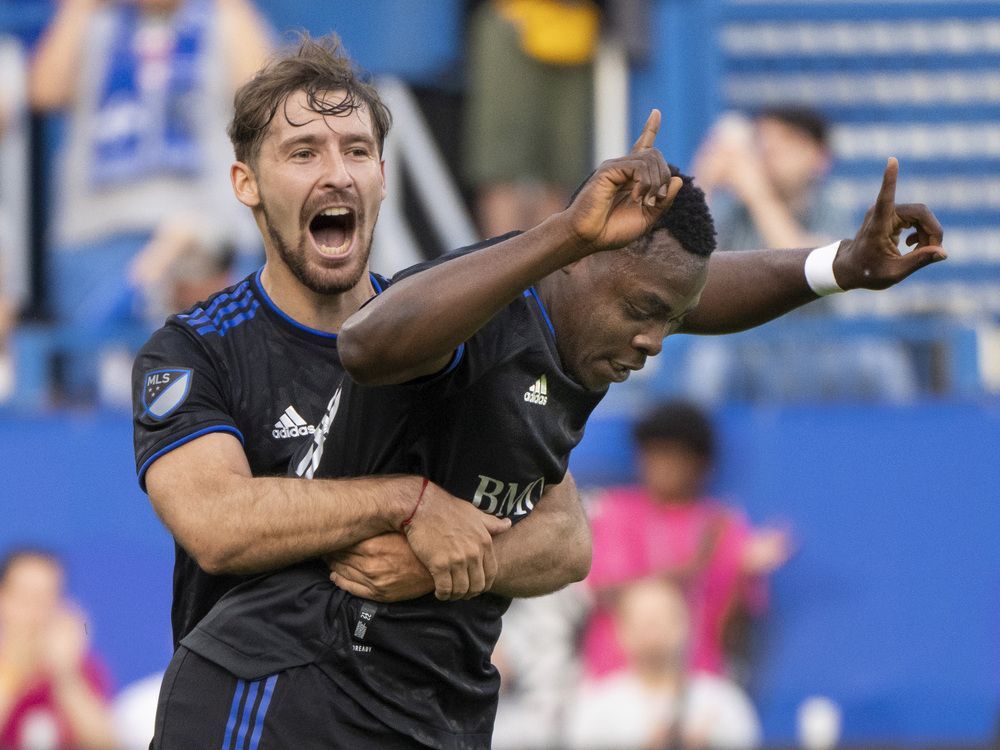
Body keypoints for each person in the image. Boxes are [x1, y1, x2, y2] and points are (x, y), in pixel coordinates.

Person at [131, 35, 594, 748]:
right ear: (246, 183)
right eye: (304, 152)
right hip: (265, 712)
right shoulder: (196, 349)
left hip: (434, 723)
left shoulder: (460, 325)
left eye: (355, 150)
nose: (336, 173)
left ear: (383, 175)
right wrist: (406, 502)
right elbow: (216, 524)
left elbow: (566, 537)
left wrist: (446, 565)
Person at [30, 0, 272, 400]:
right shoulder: (95, 22)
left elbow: (267, 93)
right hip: (100, 237)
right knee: (96, 391)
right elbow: (44, 90)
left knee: (222, 386)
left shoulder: (223, 18)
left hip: (207, 234)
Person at [583, 400, 792, 680]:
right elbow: (606, 592)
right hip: (615, 680)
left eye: (675, 455)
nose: (662, 465)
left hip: (697, 684)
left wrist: (744, 576)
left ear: (702, 463)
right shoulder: (616, 511)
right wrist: (694, 566)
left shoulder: (724, 523)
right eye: (653, 453)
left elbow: (731, 633)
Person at [565, 578, 762, 750]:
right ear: (621, 631)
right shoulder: (598, 706)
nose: (653, 629)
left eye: (662, 618)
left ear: (687, 623)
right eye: (643, 621)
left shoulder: (723, 703)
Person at [463, 0, 599, 237]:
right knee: (502, 170)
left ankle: (545, 268)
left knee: (561, 174)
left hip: (577, 33)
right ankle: (501, 268)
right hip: (512, 20)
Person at [0, 550, 117, 750]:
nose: (35, 613)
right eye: (26, 598)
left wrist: (66, 675)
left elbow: (107, 745)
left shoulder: (81, 669)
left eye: (46, 599)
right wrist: (13, 671)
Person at [692, 105, 851, 251]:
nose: (770, 149)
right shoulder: (734, 205)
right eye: (763, 139)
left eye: (788, 140)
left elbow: (806, 266)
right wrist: (704, 181)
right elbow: (692, 260)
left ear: (821, 157)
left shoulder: (832, 204)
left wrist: (759, 195)